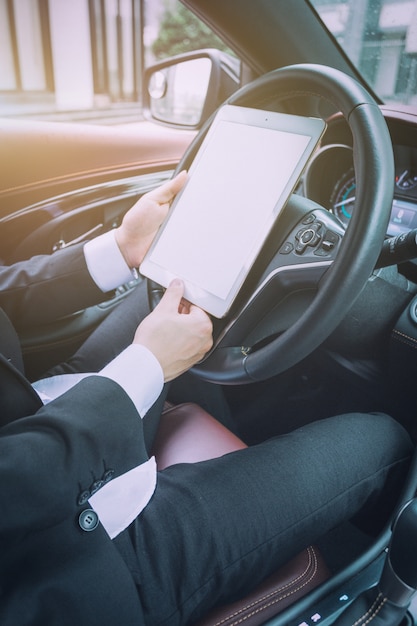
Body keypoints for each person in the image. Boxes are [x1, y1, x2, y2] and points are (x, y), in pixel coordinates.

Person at [0, 174, 413, 626]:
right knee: (384, 436)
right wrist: (147, 365)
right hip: (68, 566)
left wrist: (120, 248)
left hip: (33, 415)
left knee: (186, 285)